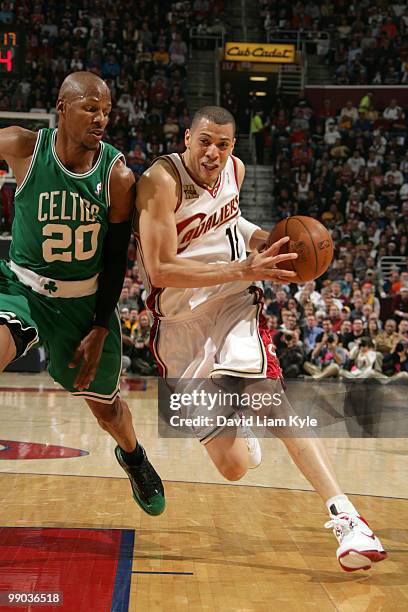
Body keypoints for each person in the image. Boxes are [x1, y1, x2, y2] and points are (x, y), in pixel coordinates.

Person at [136, 105, 386, 571]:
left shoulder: (236, 170)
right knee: (232, 466)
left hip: (233, 300)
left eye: (224, 144)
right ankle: (243, 427)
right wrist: (245, 266)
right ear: (187, 137)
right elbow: (160, 268)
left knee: (269, 396)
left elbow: (234, 227)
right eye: (205, 141)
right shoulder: (160, 182)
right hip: (178, 325)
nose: (214, 153)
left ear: (233, 147)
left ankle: (348, 519)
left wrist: (268, 245)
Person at [0, 71, 164, 516]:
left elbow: (116, 260)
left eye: (106, 111)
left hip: (83, 302)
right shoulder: (22, 146)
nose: (101, 118)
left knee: (108, 414)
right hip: (21, 287)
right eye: (91, 108)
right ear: (62, 107)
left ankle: (133, 457)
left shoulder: (117, 177)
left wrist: (98, 327)